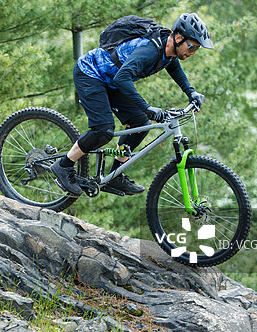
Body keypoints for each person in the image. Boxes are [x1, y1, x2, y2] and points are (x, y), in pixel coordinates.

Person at [50, 12, 213, 196]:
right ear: (177, 37)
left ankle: (114, 176)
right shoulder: (150, 51)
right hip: (90, 74)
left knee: (140, 124)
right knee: (103, 130)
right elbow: (122, 77)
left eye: (196, 50)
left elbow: (173, 66)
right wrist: (147, 108)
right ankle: (64, 165)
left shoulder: (168, 51)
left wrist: (191, 91)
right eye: (191, 47)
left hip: (112, 81)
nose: (192, 53)